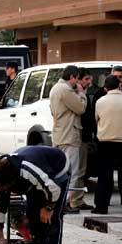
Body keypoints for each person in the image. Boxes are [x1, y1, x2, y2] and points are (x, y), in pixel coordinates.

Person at [0, 146, 70, 244]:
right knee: (32, 215)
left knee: (51, 219)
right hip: (37, 180)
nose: (5, 190)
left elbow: (54, 189)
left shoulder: (27, 169)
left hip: (57, 169)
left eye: (6, 187)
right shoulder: (0, 176)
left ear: (12, 180)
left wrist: (48, 207)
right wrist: (0, 236)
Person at [92, 75, 122, 215]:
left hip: (105, 142)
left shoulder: (100, 101)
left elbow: (96, 119)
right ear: (119, 85)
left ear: (106, 88)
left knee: (105, 175)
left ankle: (101, 206)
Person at [49, 65, 87, 213]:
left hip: (59, 134)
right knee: (72, 172)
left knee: (59, 171)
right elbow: (80, 108)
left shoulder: (54, 88)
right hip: (69, 135)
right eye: (77, 78)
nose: (77, 82)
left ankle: (58, 201)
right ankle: (64, 203)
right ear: (72, 76)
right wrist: (82, 93)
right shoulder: (66, 90)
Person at [71, 67, 94, 211]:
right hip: (77, 136)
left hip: (84, 136)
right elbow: (82, 111)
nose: (89, 82)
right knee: (76, 170)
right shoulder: (75, 95)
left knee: (81, 170)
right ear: (78, 80)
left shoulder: (84, 94)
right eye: (86, 79)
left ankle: (78, 199)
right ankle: (73, 200)